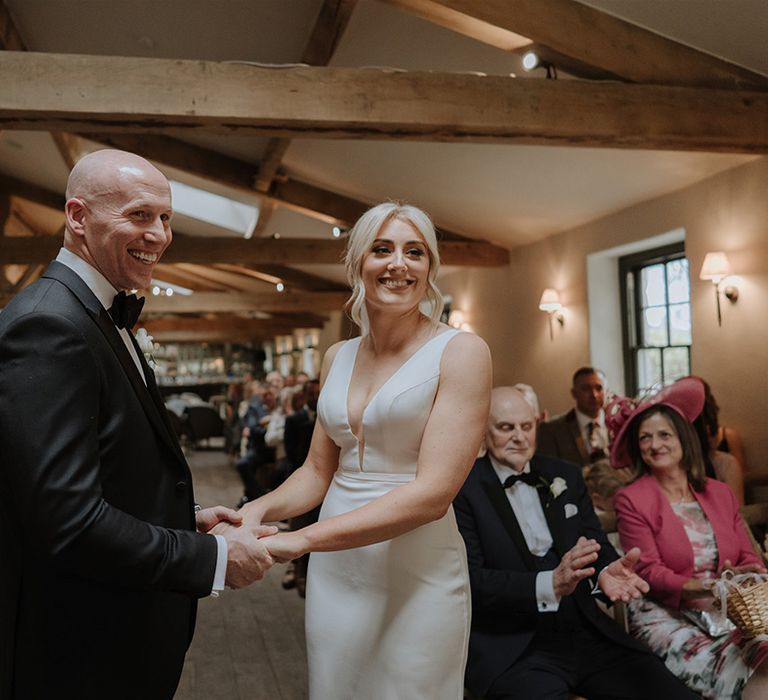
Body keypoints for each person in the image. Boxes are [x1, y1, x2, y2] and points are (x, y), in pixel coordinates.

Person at [0, 150, 274, 700]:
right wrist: (213, 557)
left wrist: (182, 517)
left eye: (167, 218)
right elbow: (68, 522)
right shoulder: (49, 325)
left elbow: (103, 464)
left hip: (119, 629)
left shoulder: (98, 310)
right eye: (140, 215)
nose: (160, 235)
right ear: (78, 218)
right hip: (80, 647)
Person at [227, 202, 492, 699]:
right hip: (339, 572)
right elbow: (316, 473)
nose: (399, 264)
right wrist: (255, 510)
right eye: (383, 249)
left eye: (415, 252)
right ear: (357, 263)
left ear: (430, 267)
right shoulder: (338, 355)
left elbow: (433, 495)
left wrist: (303, 541)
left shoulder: (461, 352)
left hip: (417, 566)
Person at [454, 387, 695, 700]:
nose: (519, 437)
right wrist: (549, 584)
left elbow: (593, 542)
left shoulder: (563, 474)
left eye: (526, 427)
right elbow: (472, 581)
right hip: (514, 649)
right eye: (505, 427)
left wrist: (604, 573)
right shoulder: (463, 489)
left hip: (585, 632)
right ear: (483, 430)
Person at [611, 377, 768, 699]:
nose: (655, 445)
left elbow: (746, 555)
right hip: (665, 614)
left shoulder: (719, 493)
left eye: (664, 434)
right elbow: (647, 571)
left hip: (728, 609)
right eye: (645, 438)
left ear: (683, 438)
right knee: (738, 668)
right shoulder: (632, 498)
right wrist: (703, 586)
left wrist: (744, 575)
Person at [537, 366, 609, 468]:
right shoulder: (552, 430)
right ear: (574, 393)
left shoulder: (620, 425)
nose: (594, 395)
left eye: (599, 388)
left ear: (607, 391)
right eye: (586, 389)